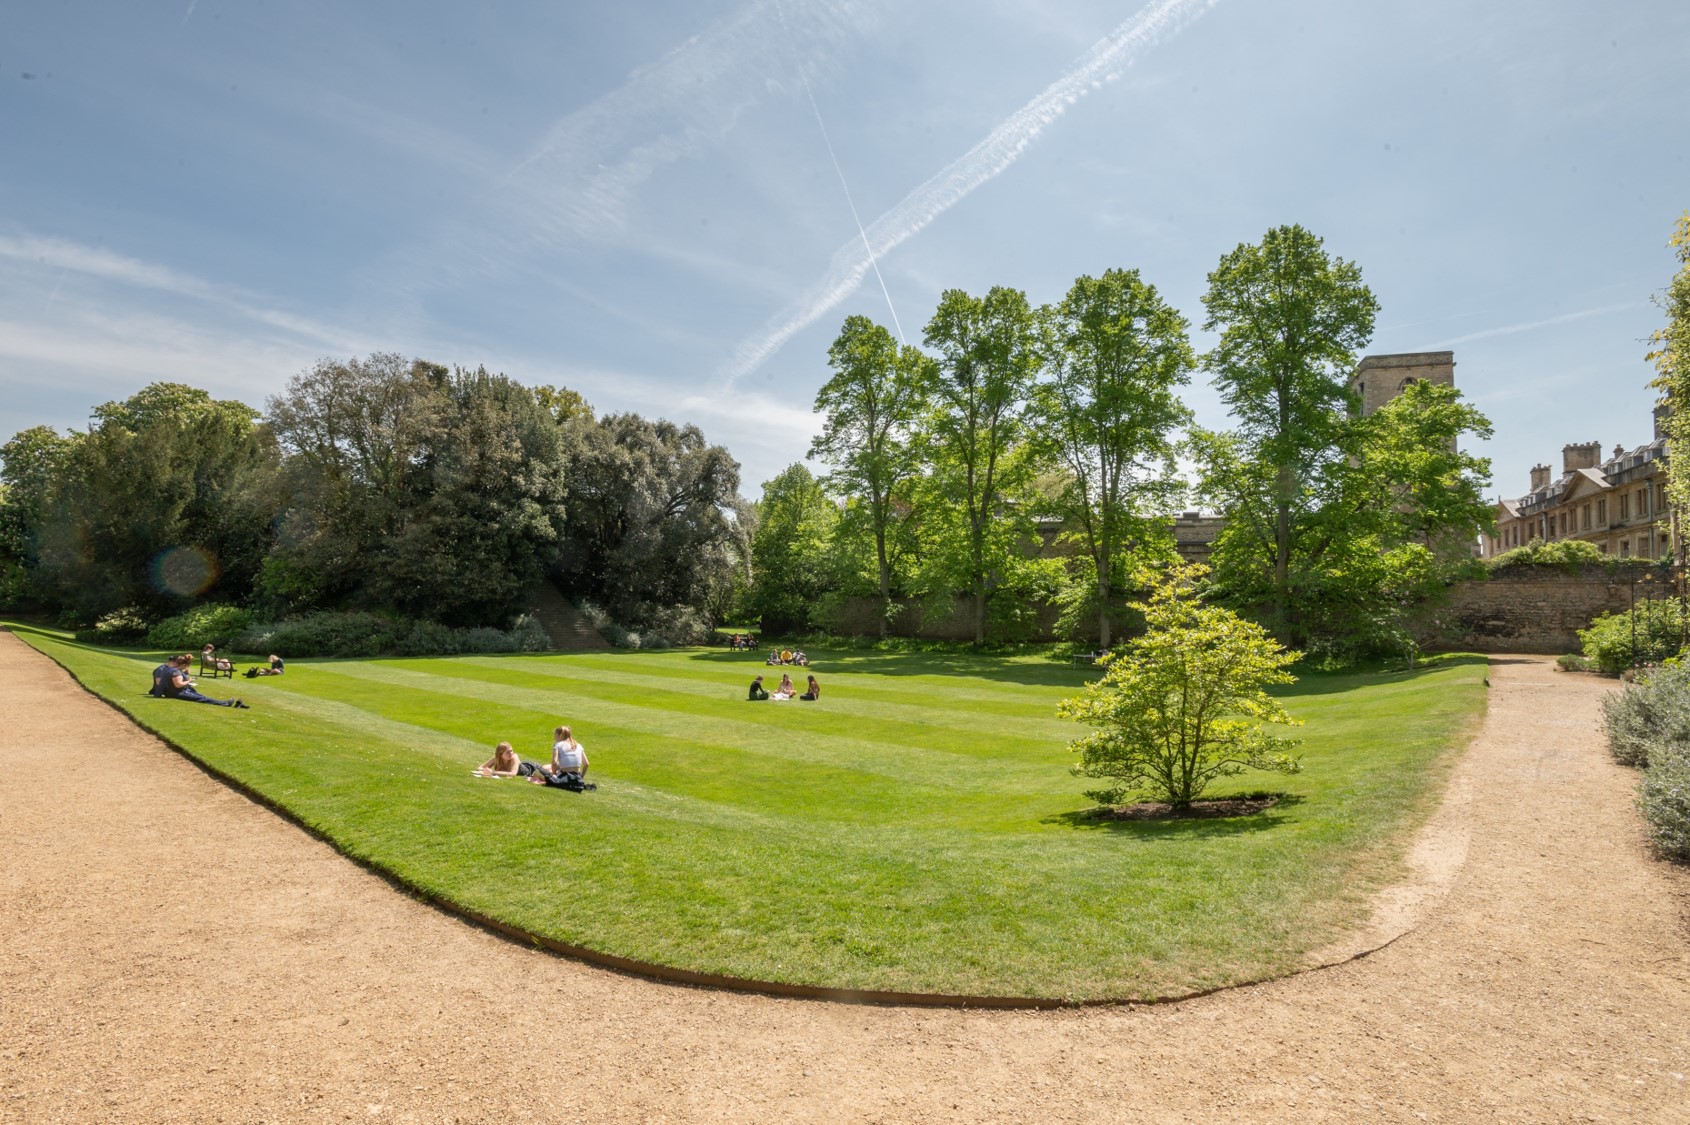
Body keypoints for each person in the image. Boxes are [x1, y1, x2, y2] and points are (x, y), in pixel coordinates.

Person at [151, 654, 247, 708]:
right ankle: (225, 703)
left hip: (172, 692)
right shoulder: (176, 672)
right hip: (177, 693)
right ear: (183, 665)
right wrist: (189, 681)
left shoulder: (168, 669)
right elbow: (178, 684)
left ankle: (224, 703)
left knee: (201, 696)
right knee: (201, 698)